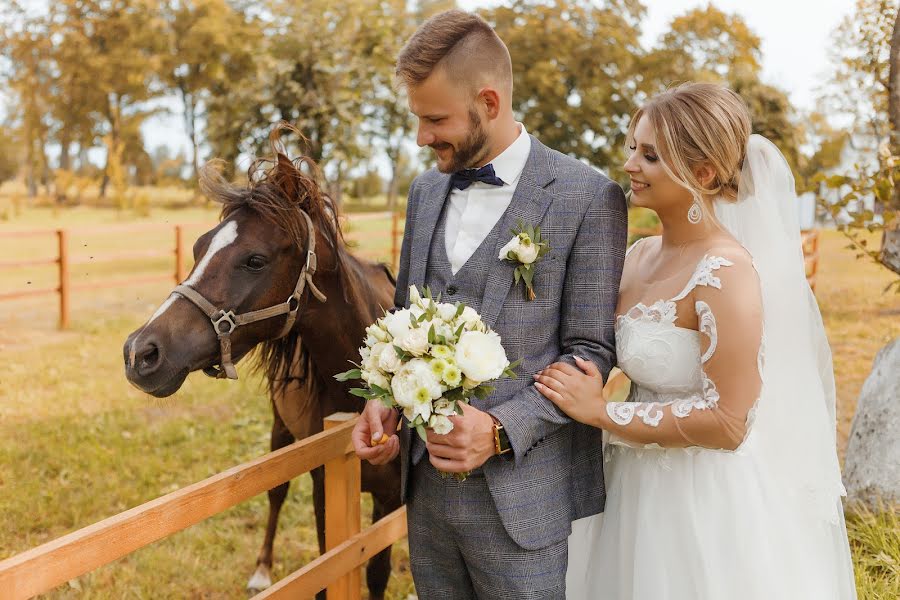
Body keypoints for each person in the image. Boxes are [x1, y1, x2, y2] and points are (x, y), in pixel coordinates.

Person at [535, 82, 857, 599]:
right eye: (632, 149)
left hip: (699, 501)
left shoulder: (725, 272)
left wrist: (602, 414)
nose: (630, 165)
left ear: (702, 173)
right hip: (628, 486)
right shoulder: (638, 255)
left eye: (650, 155)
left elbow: (730, 422)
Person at [351, 9, 628, 598]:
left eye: (435, 120)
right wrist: (386, 403)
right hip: (426, 500)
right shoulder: (425, 191)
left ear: (489, 101)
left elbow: (590, 354)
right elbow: (406, 320)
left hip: (525, 505)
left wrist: (500, 429)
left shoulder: (586, 197)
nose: (423, 138)